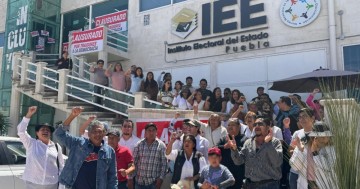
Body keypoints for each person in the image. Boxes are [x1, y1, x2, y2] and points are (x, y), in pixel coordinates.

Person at [54, 107, 117, 189]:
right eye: (94, 132)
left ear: (104, 134)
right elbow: (59, 134)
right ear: (89, 134)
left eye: (100, 132)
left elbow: (112, 176)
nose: (97, 134)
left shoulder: (109, 151)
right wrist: (72, 116)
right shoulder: (78, 143)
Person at [17, 106, 66, 189]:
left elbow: (61, 166)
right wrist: (28, 115)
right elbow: (21, 131)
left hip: (52, 184)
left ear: (50, 133)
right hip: (33, 184)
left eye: (48, 130)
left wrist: (61, 185)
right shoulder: (31, 144)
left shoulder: (57, 147)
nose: (46, 131)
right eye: (43, 129)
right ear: (37, 133)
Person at [229, 117, 283, 189]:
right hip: (249, 185)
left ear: (268, 127)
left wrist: (268, 143)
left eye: (260, 124)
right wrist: (234, 149)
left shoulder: (275, 142)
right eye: (255, 124)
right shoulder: (248, 142)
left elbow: (277, 162)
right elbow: (239, 161)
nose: (257, 126)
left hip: (269, 185)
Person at [290, 122, 336, 189]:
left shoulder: (332, 149)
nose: (325, 139)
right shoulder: (304, 146)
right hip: (305, 185)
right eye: (322, 137)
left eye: (327, 136)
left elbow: (328, 167)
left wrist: (315, 153)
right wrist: (300, 151)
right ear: (314, 137)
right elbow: (295, 167)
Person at [132, 123, 167, 189]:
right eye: (149, 130)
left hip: (153, 183)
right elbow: (134, 162)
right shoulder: (139, 144)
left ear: (156, 132)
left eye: (153, 130)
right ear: (145, 132)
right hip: (139, 182)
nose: (151, 133)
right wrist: (131, 177)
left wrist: (160, 179)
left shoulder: (161, 145)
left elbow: (164, 164)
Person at [288, 108, 316, 189]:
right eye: (300, 117)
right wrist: (295, 152)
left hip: (313, 175)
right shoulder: (297, 133)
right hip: (295, 172)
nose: (302, 119)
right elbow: (290, 149)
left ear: (313, 118)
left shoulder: (319, 134)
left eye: (305, 116)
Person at [217, 118, 248, 189]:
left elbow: (245, 153)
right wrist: (224, 146)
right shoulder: (224, 139)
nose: (230, 127)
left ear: (239, 126)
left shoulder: (245, 139)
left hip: (238, 174)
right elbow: (214, 149)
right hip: (225, 175)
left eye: (233, 125)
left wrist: (235, 147)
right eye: (228, 125)